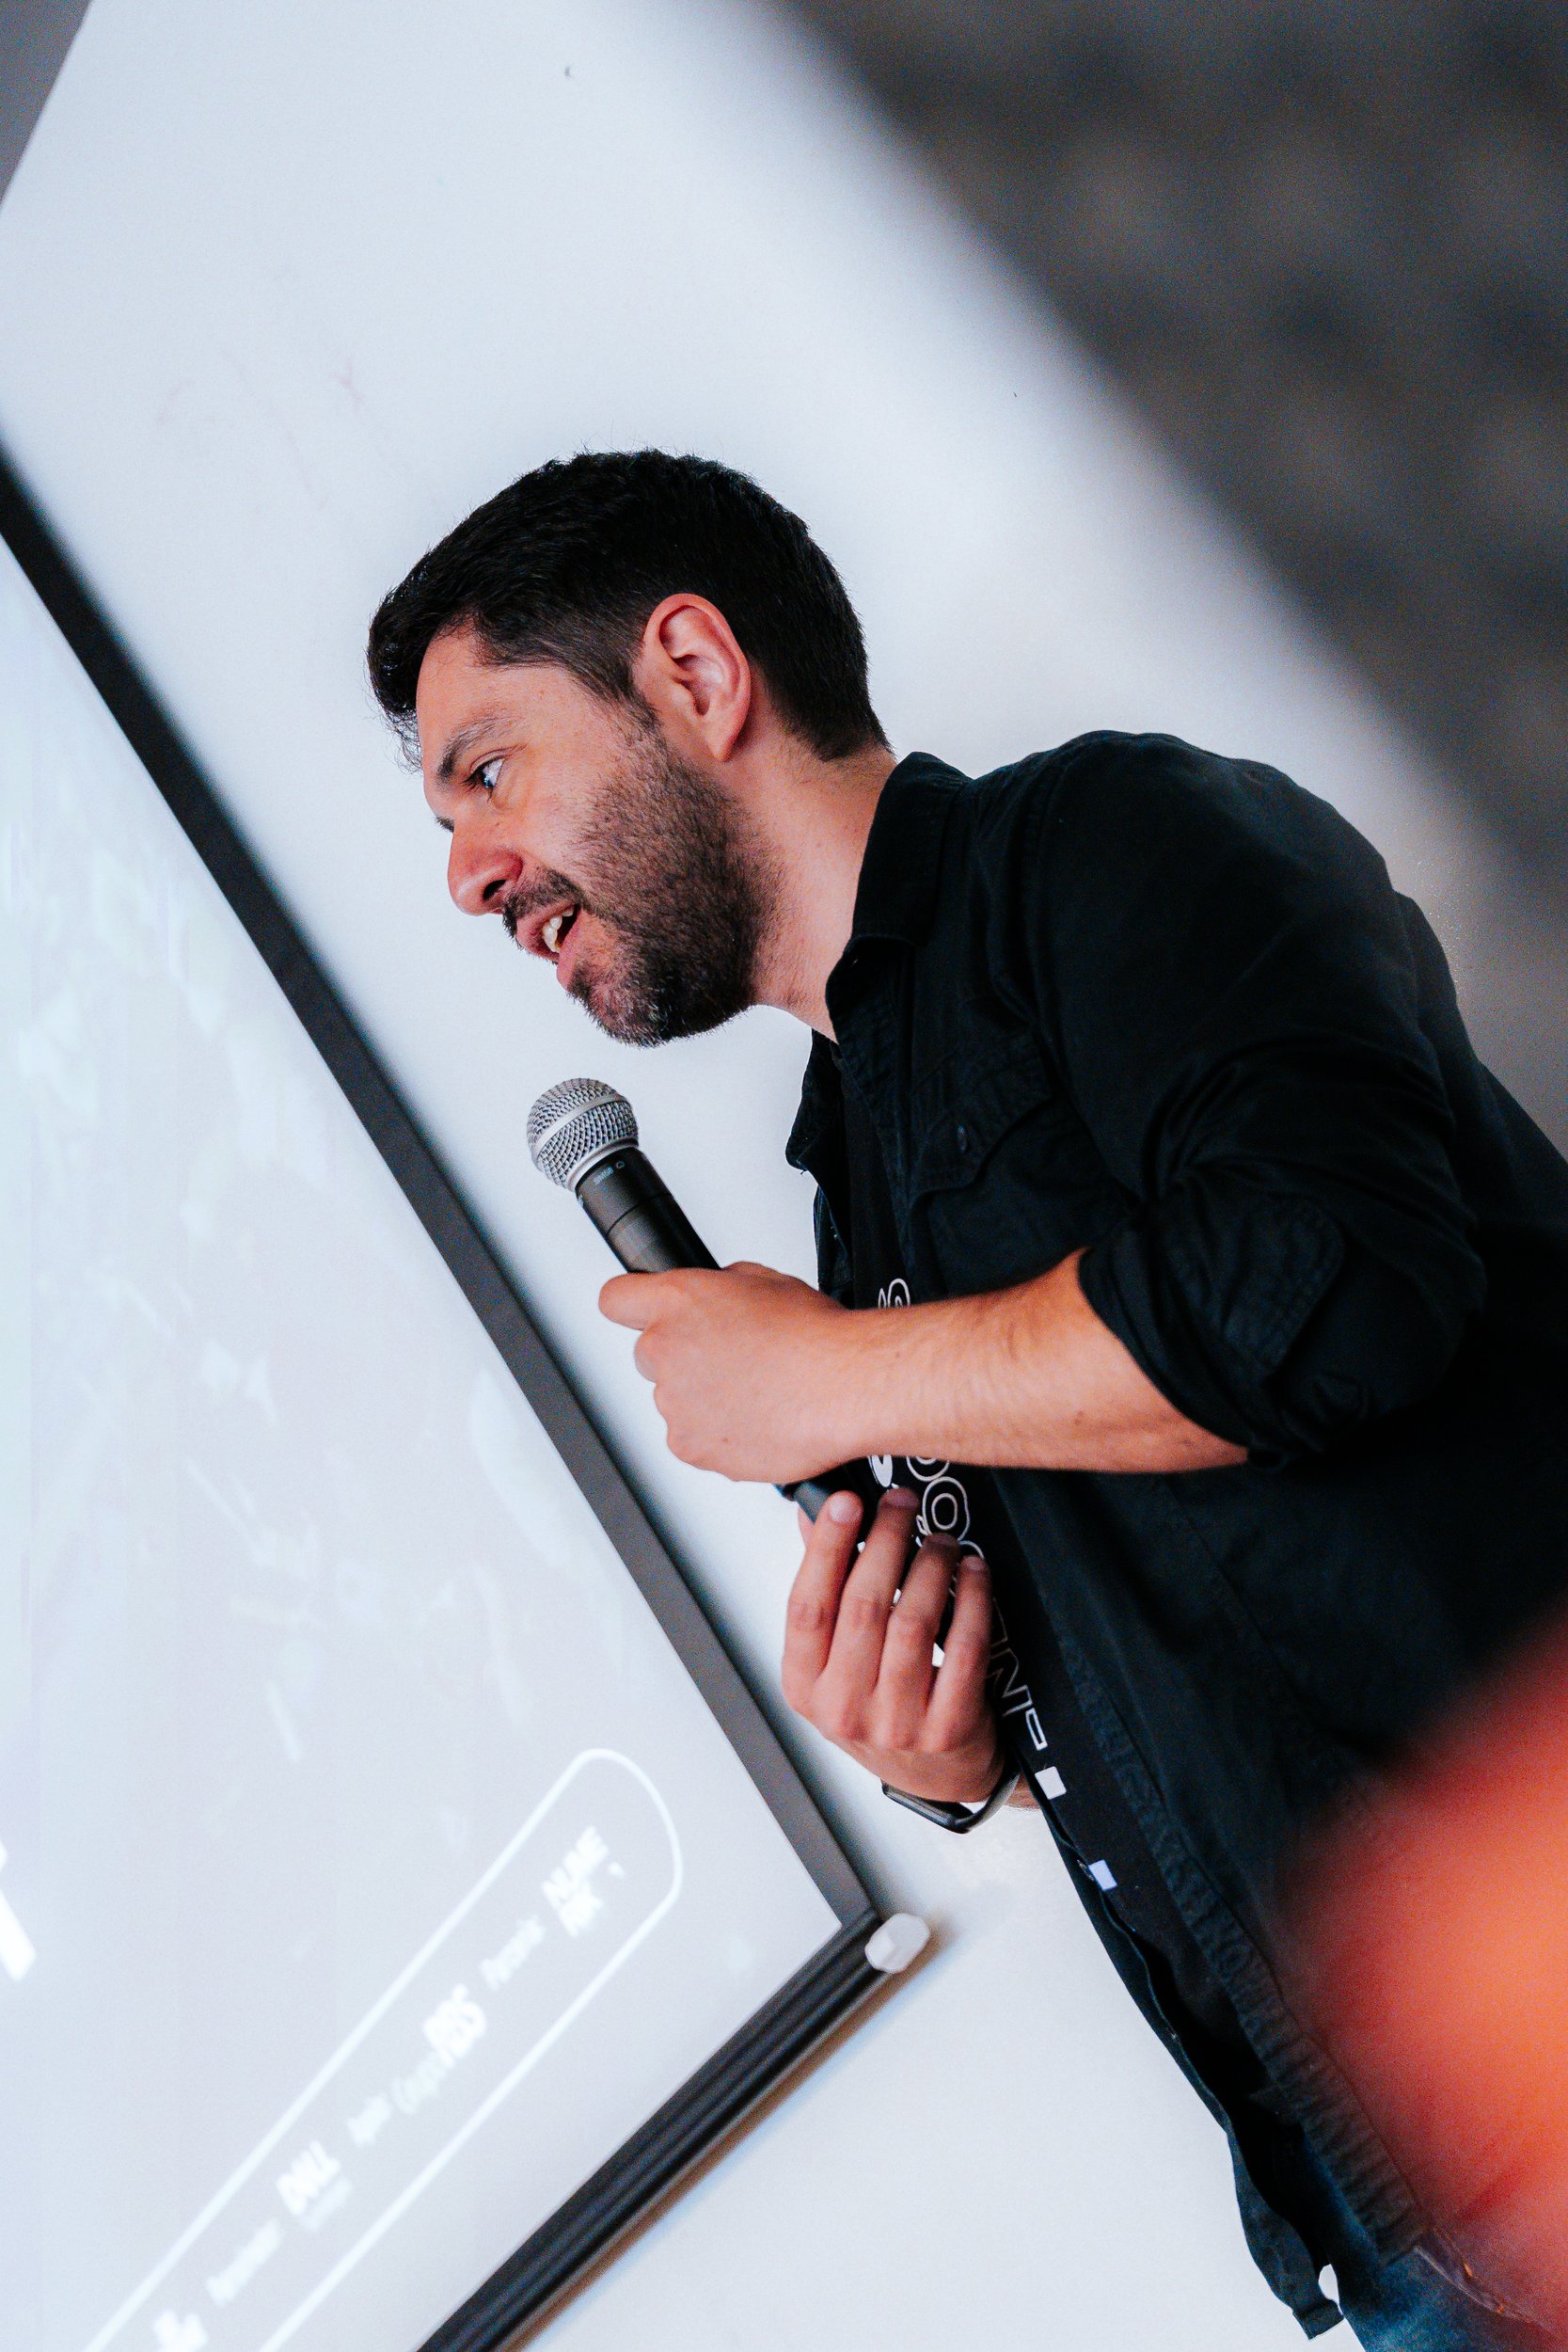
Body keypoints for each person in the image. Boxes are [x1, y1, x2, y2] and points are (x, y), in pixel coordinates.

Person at [367, 449, 1568, 2348]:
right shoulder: (854, 1182)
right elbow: (1175, 1608)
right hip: (1393, 2213)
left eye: (489, 771)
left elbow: (1332, 1284)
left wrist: (823, 1373)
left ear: (694, 671)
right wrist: (951, 1747)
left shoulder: (1114, 846)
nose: (466, 874)